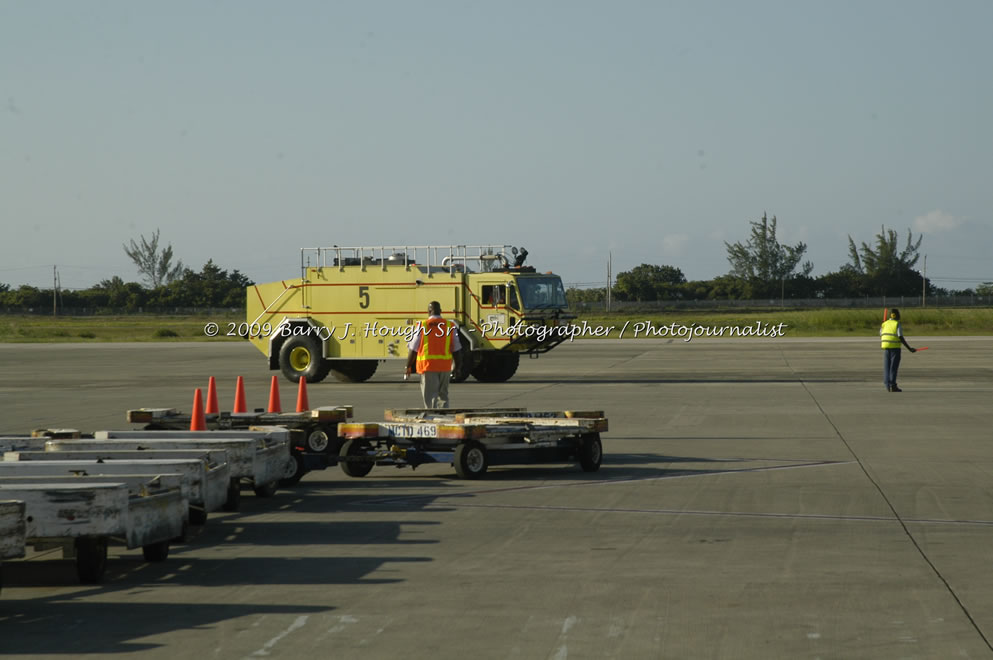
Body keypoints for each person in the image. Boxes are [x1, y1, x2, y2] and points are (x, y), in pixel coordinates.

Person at [406, 301, 463, 408]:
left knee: (431, 397)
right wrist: (458, 367)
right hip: (445, 368)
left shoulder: (422, 325)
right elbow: (457, 349)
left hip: (428, 367)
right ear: (441, 311)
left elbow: (413, 348)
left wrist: (408, 365)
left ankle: (433, 420)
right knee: (443, 396)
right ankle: (445, 418)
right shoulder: (449, 325)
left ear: (428, 312)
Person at [880, 308, 916, 392]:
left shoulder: (884, 323)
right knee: (893, 367)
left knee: (887, 367)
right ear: (896, 315)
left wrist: (882, 325)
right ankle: (893, 385)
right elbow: (900, 336)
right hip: (895, 348)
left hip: (886, 347)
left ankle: (887, 385)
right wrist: (909, 348)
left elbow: (881, 333)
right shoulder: (897, 324)